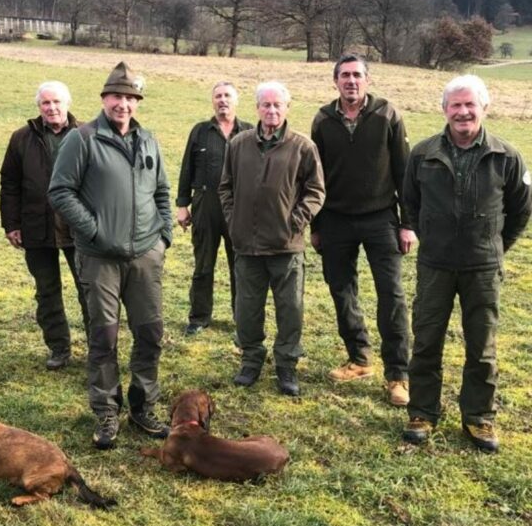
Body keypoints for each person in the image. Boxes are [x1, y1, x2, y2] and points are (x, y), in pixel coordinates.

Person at [401, 75, 530, 453]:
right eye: (455, 105)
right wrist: (428, 234)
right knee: (426, 341)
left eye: (470, 104)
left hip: (483, 269)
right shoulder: (422, 154)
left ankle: (478, 417)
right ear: (444, 110)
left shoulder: (506, 156)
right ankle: (422, 412)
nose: (463, 112)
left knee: (482, 347)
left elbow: (521, 209)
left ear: (484, 108)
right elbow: (410, 202)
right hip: (435, 265)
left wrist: (495, 246)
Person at [49, 61, 172, 450]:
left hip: (145, 257)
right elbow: (60, 192)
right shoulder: (81, 139)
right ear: (104, 98)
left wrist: (162, 236)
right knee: (104, 336)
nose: (124, 104)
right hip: (100, 258)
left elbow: (163, 194)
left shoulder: (148, 140)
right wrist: (95, 231)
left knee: (150, 333)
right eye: (117, 96)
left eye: (131, 98)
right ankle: (106, 409)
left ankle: (143, 404)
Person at [311, 54, 414, 407]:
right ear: (335, 81)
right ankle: (358, 359)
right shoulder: (323, 120)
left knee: (392, 295)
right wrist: (317, 224)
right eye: (344, 76)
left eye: (357, 75)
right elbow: (315, 178)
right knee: (341, 291)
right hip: (336, 219)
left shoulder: (388, 115)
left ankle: (398, 374)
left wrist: (408, 224)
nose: (351, 81)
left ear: (367, 80)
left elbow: (405, 173)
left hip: (381, 218)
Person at [218, 81, 325, 396]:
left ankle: (286, 366)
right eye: (266, 105)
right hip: (247, 246)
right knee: (247, 309)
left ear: (287, 108)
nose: (272, 110)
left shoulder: (302, 147)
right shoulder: (238, 144)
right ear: (257, 109)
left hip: (285, 247)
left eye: (278, 105)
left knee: (290, 309)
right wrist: (233, 219)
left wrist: (296, 221)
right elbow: (225, 186)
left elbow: (316, 191)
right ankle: (250, 361)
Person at [0, 81, 90, 370]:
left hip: (79, 228)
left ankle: (98, 348)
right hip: (36, 227)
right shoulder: (21, 139)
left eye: (57, 102)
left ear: (68, 103)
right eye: (45, 103)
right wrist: (12, 224)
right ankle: (59, 348)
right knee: (47, 292)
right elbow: (10, 184)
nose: (52, 108)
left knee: (90, 289)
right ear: (38, 106)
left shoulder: (87, 135)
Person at [176, 81, 252, 337]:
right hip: (205, 204)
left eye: (227, 96)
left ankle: (241, 318)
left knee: (240, 267)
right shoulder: (200, 131)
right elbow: (187, 168)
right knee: (203, 265)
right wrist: (182, 205)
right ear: (213, 101)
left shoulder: (250, 131)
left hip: (239, 209)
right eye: (218, 96)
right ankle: (199, 318)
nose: (223, 100)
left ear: (236, 100)